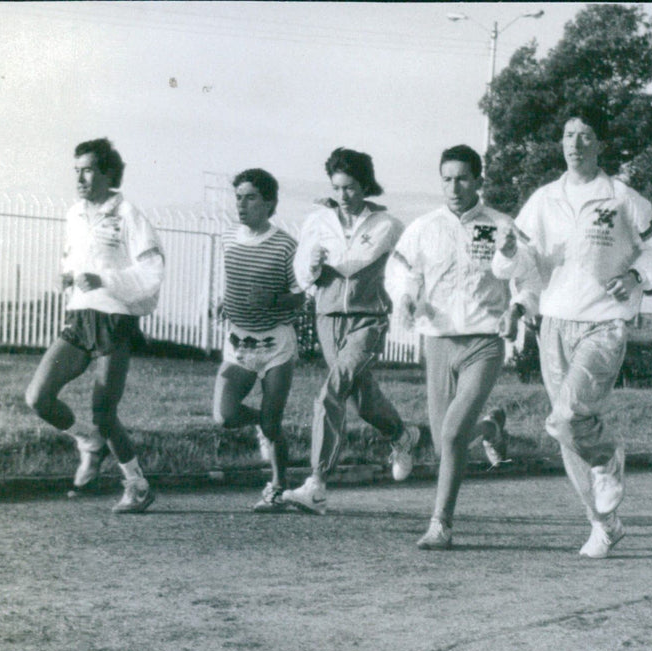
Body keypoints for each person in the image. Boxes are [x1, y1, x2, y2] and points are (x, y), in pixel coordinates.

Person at [493, 112, 652, 558]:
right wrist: (509, 255)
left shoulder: (622, 199)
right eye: (568, 135)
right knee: (566, 431)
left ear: (600, 146)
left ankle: (609, 457)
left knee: (567, 416)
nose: (575, 143)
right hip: (553, 322)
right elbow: (520, 267)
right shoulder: (543, 199)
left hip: (604, 321)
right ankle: (602, 522)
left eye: (585, 136)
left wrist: (636, 276)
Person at [385, 144, 537, 550]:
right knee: (443, 444)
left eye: (463, 178)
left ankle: (441, 524)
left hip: (484, 342)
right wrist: (404, 295)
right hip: (438, 341)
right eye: (447, 178)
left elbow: (527, 275)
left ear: (478, 181)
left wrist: (517, 309)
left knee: (452, 433)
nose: (454, 187)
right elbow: (402, 270)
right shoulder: (424, 227)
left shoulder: (502, 225)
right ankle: (489, 427)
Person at [25, 138, 164, 513]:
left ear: (107, 173)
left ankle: (137, 485)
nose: (81, 178)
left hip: (113, 319)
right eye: (77, 171)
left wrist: (105, 280)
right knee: (38, 397)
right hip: (79, 316)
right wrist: (68, 276)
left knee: (104, 411)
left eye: (88, 170)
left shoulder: (128, 214)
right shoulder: (74, 214)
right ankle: (87, 441)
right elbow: (74, 259)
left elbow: (152, 272)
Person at [282, 147, 419, 515]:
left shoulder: (388, 226)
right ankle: (402, 436)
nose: (344, 196)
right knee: (359, 398)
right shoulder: (317, 222)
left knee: (331, 391)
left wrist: (406, 299)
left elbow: (406, 269)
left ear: (366, 185)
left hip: (368, 319)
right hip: (328, 318)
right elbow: (301, 276)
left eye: (351, 187)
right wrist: (311, 266)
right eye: (337, 188)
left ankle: (317, 483)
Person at [212, 168, 304, 511]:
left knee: (272, 422)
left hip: (276, 345)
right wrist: (225, 302)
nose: (242, 204)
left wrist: (274, 300)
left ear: (269, 204)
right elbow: (235, 282)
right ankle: (263, 426)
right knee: (225, 415)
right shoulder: (227, 238)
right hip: (239, 344)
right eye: (238, 197)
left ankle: (278, 486)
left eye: (250, 197)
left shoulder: (285, 246)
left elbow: (300, 296)